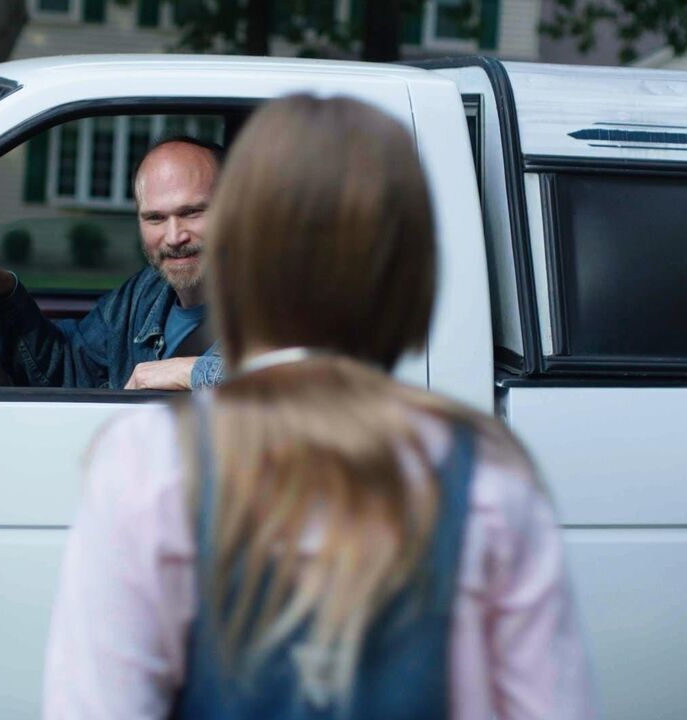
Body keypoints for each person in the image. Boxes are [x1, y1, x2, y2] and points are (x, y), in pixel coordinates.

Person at [42, 95, 596, 719]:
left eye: (195, 211)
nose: (176, 233)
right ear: (417, 270)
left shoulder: (145, 463)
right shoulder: (492, 480)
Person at [0, 137, 224, 390]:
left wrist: (193, 373)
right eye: (155, 218)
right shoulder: (143, 294)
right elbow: (69, 368)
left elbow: (255, 384)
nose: (174, 237)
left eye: (192, 212)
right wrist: (4, 292)